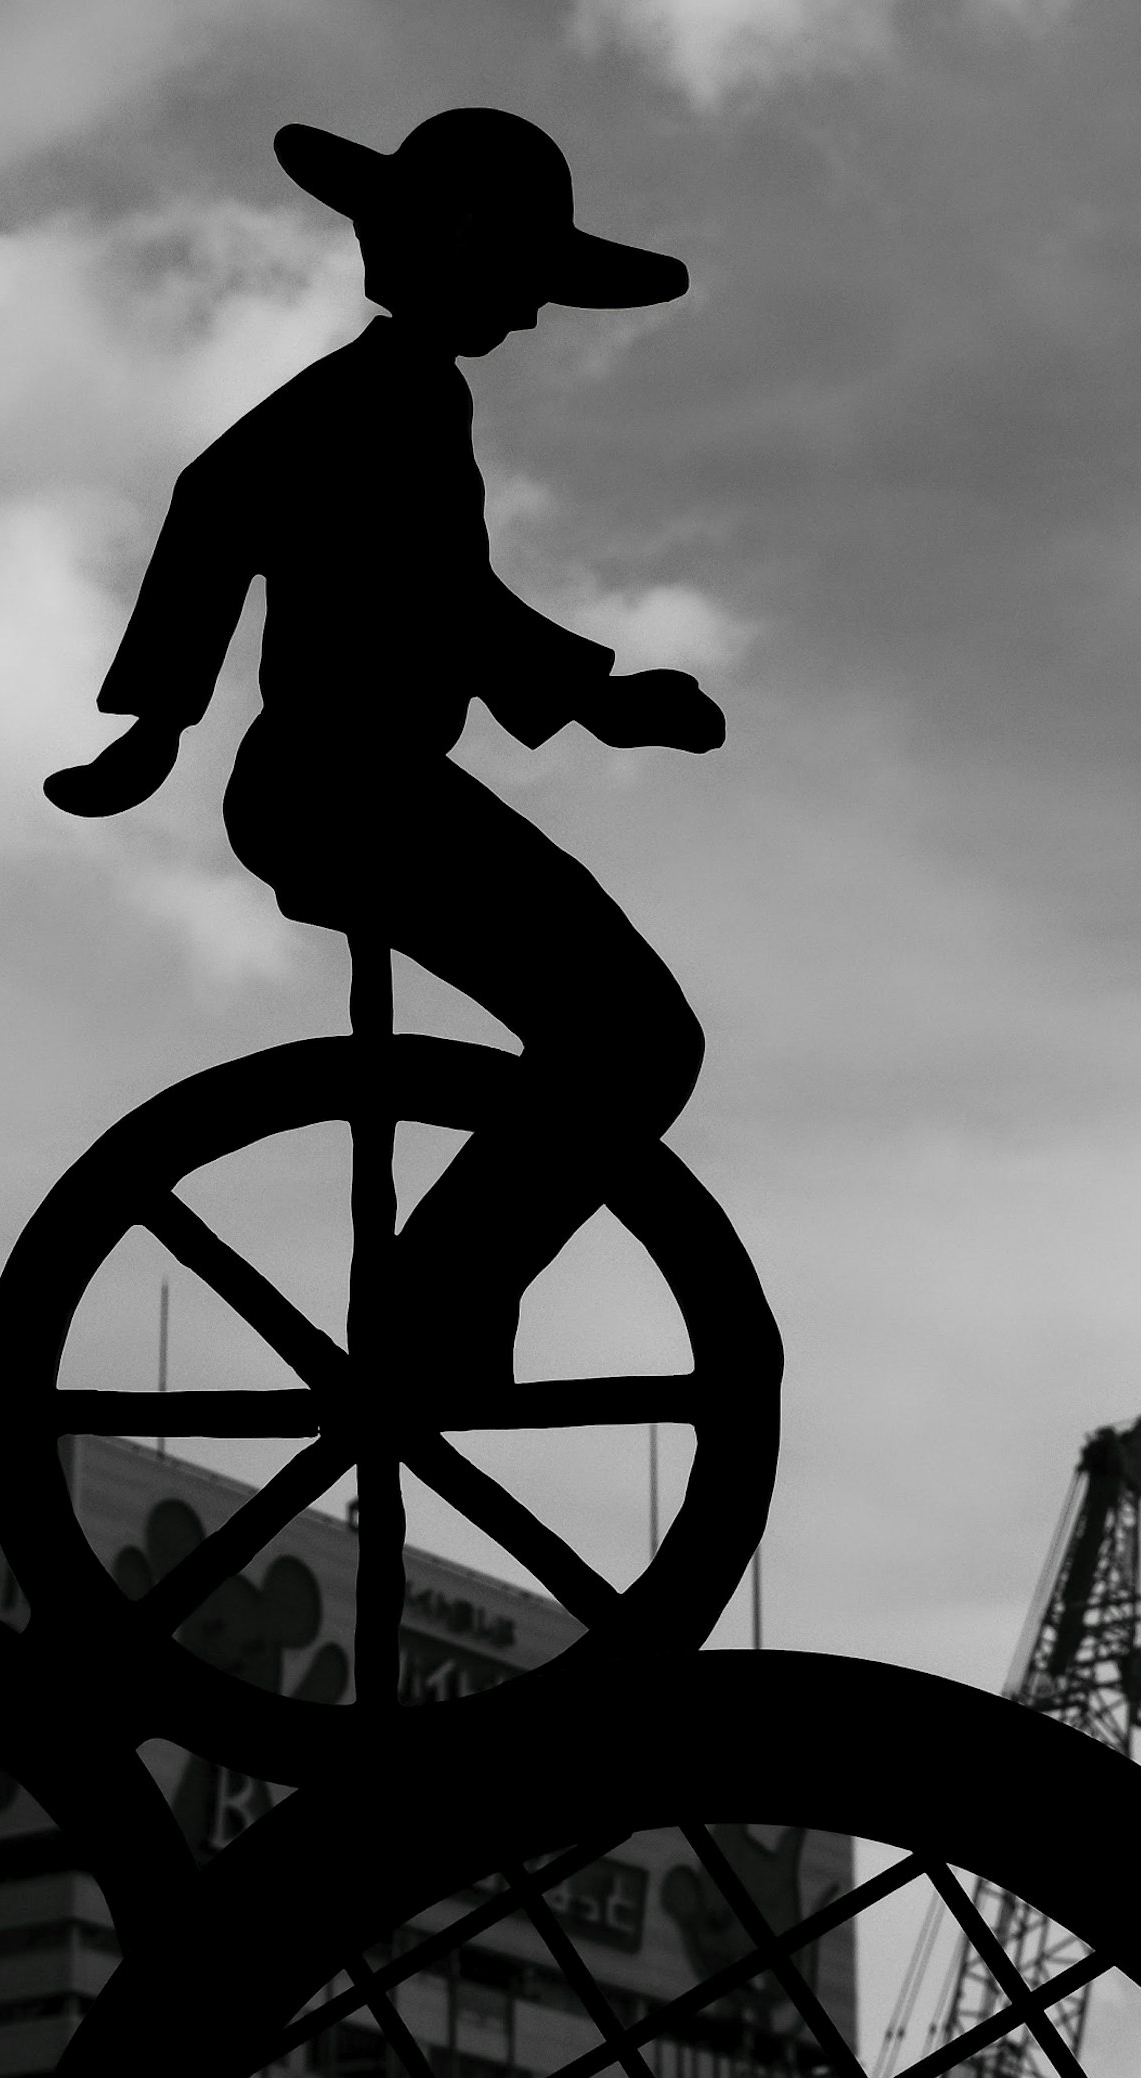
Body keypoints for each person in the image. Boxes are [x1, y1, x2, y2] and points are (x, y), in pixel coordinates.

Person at [43, 108, 726, 1397]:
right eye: (529, 280)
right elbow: (413, 585)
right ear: (466, 240)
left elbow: (277, 531)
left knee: (627, 1034)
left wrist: (161, 722)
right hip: (348, 785)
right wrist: (599, 697)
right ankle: (439, 1294)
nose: (531, 316)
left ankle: (443, 1291)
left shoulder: (403, 392)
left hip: (351, 784)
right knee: (634, 1037)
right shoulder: (393, 394)